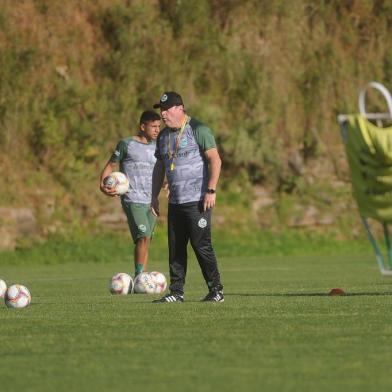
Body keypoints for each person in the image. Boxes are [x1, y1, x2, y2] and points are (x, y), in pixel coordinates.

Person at [151, 91, 224, 303]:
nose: (163, 114)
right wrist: (154, 196)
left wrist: (211, 190)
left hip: (198, 200)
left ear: (179, 109)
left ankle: (216, 290)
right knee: (176, 248)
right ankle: (176, 292)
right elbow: (159, 167)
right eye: (161, 110)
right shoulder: (163, 136)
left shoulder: (198, 129)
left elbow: (215, 159)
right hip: (175, 202)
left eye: (166, 110)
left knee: (202, 246)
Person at [100, 110, 161, 277]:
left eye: (159, 126)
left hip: (152, 200)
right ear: (143, 126)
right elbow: (110, 166)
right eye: (153, 126)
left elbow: (160, 170)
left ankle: (141, 274)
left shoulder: (159, 146)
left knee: (147, 240)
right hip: (133, 199)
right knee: (143, 236)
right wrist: (102, 185)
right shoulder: (126, 144)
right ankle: (140, 275)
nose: (157, 130)